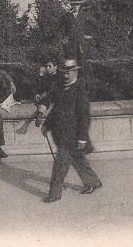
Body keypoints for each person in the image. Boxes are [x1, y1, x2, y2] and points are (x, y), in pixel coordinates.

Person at [41, 59, 102, 202]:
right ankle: (93, 182)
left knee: (60, 164)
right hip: (60, 133)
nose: (65, 75)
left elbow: (84, 116)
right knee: (77, 158)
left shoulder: (80, 90)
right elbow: (55, 111)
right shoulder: (60, 88)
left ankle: (54, 194)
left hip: (73, 135)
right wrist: (47, 125)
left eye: (68, 72)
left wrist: (82, 138)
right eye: (63, 72)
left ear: (75, 72)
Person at [59, 0, 88, 66]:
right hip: (69, 44)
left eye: (77, 5)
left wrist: (90, 35)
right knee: (69, 64)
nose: (76, 7)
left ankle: (81, 77)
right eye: (74, 5)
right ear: (71, 5)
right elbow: (57, 27)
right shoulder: (66, 16)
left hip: (81, 44)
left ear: (80, 5)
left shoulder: (84, 15)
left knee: (82, 64)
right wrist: (62, 38)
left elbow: (96, 24)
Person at [34, 57, 61, 128]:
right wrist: (38, 94)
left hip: (55, 97)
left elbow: (51, 89)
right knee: (44, 97)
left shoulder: (58, 76)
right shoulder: (46, 76)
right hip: (46, 97)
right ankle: (39, 114)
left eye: (50, 66)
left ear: (56, 67)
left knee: (47, 97)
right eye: (46, 66)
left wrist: (42, 95)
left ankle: (40, 114)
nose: (47, 68)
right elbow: (40, 88)